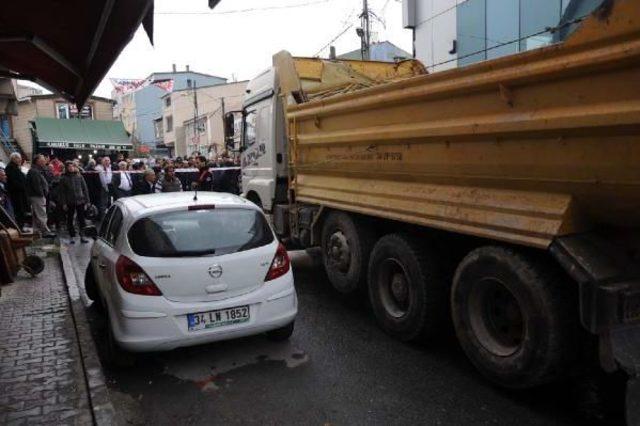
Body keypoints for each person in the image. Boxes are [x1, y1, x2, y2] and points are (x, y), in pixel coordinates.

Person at [58, 161, 90, 244]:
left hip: (80, 201)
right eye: (69, 167)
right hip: (70, 201)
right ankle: (72, 236)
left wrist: (87, 201)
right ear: (66, 168)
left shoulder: (79, 177)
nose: (71, 168)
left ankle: (82, 235)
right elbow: (62, 192)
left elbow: (85, 189)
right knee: (70, 219)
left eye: (72, 166)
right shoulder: (63, 178)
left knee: (81, 219)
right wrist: (64, 203)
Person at [26, 154, 55, 237]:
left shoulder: (35, 170)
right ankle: (45, 231)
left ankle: (37, 232)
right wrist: (42, 194)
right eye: (42, 160)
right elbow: (37, 185)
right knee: (41, 214)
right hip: (37, 196)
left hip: (36, 195)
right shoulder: (35, 171)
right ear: (37, 161)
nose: (44, 162)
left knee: (36, 215)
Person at [5, 152, 28, 229]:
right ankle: (19, 228)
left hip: (19, 193)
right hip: (16, 194)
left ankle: (21, 227)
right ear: (14, 159)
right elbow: (14, 181)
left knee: (21, 211)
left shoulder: (16, 167)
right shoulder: (10, 168)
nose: (20, 160)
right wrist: (23, 186)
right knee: (18, 211)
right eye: (19, 158)